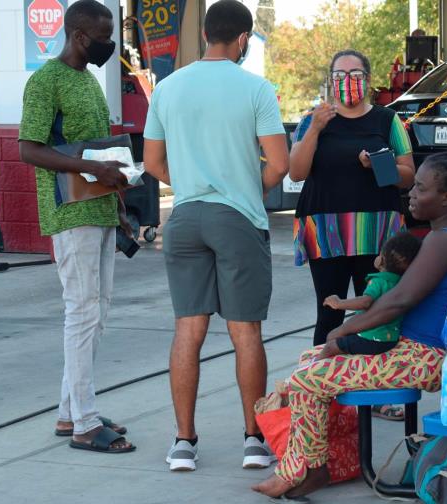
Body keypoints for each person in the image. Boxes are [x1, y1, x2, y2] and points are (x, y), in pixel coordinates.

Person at [252, 152, 447, 500]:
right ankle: (316, 460)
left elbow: (399, 300)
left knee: (307, 379)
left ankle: (307, 469)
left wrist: (342, 332)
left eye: (421, 188)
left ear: (446, 197)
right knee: (310, 359)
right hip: (411, 349)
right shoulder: (446, 233)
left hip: (423, 356)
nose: (412, 194)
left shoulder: (443, 240)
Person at [142, 0, 289, 472]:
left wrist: (188, 186)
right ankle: (253, 439)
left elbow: (152, 163)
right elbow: (280, 164)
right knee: (245, 331)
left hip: (184, 219)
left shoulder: (168, 88)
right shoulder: (256, 89)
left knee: (189, 327)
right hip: (237, 218)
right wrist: (245, 187)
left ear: (206, 34)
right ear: (243, 39)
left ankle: (183, 442)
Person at [18, 0, 134, 454]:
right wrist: (89, 166)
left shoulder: (87, 81)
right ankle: (85, 423)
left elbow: (97, 145)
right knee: (82, 312)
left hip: (101, 208)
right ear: (80, 35)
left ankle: (72, 411)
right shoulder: (45, 81)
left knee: (96, 311)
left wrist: (118, 195)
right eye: (104, 37)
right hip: (70, 212)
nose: (109, 45)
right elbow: (28, 149)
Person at [290, 50, 415, 347]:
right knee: (328, 312)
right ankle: (322, 386)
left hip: (376, 233)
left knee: (376, 313)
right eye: (339, 76)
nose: (347, 82)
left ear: (369, 80)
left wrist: (378, 165)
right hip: (326, 232)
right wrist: (316, 129)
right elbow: (296, 172)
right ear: (331, 82)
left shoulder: (387, 120)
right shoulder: (314, 119)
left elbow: (409, 175)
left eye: (355, 75)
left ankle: (373, 385)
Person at [319, 231, 422, 359]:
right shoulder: (401, 282)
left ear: (382, 260)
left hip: (372, 338)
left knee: (330, 343)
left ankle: (311, 371)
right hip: (390, 339)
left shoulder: (378, 281)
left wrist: (338, 303)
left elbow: (365, 302)